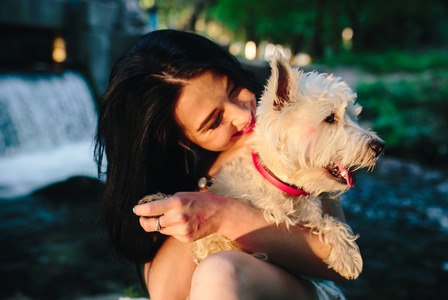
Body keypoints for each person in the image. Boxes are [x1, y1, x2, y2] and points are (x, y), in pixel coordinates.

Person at [95, 29, 348, 300]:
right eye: (214, 121)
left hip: (305, 292)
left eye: (233, 88)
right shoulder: (167, 182)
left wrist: (226, 216)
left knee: (219, 270)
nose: (242, 115)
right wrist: (216, 183)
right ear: (180, 142)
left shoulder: (288, 131)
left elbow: (337, 261)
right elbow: (167, 293)